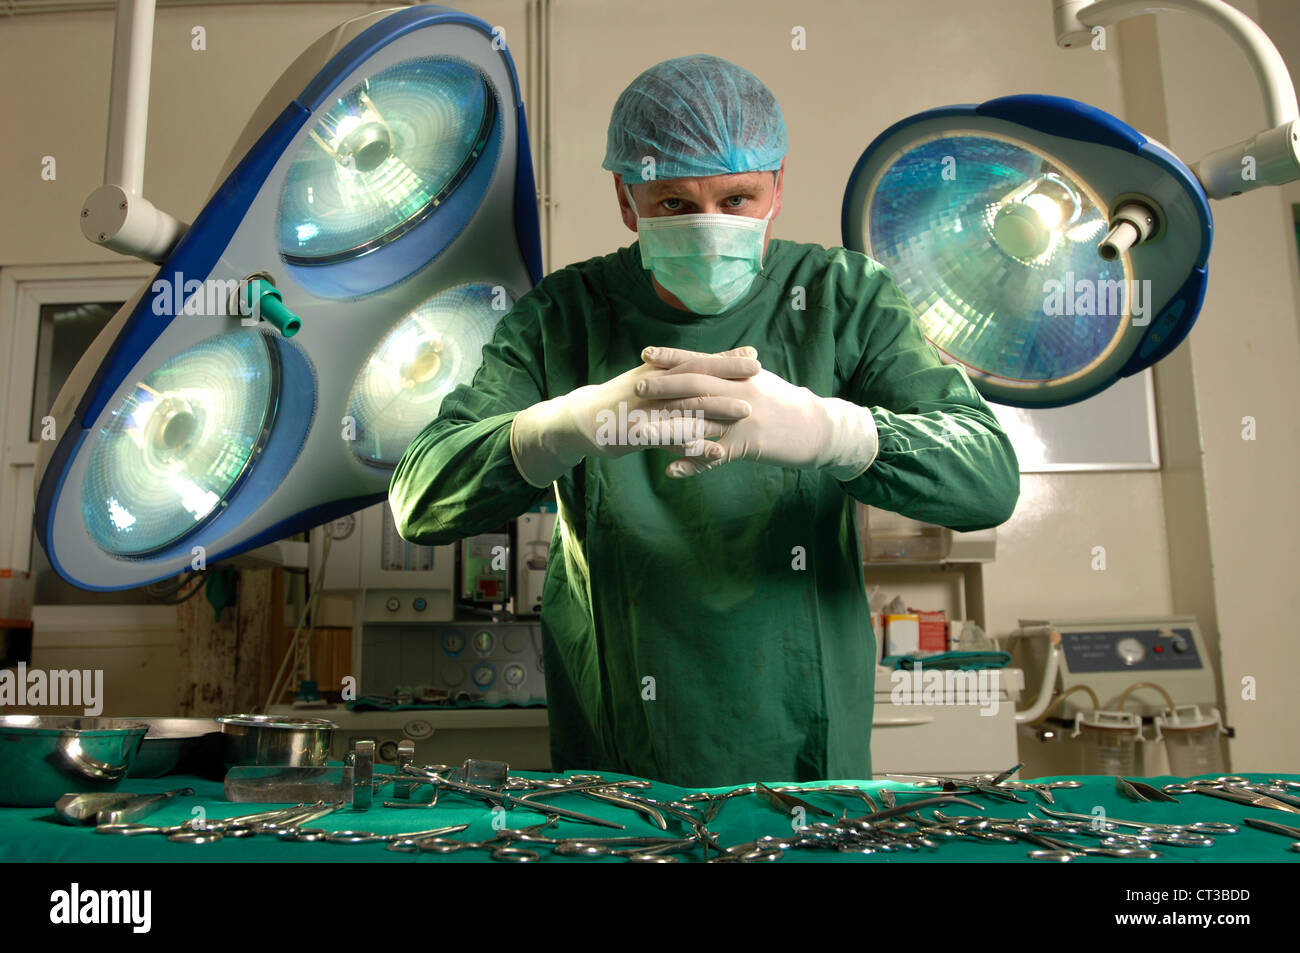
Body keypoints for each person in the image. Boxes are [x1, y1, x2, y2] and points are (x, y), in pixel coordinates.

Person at [390, 54, 1019, 788]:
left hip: (804, 744)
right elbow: (420, 499)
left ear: (778, 188)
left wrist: (836, 432)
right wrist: (563, 424)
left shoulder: (842, 297)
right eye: (673, 205)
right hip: (621, 756)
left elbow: (988, 479)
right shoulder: (564, 318)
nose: (710, 227)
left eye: (739, 199)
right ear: (626, 201)